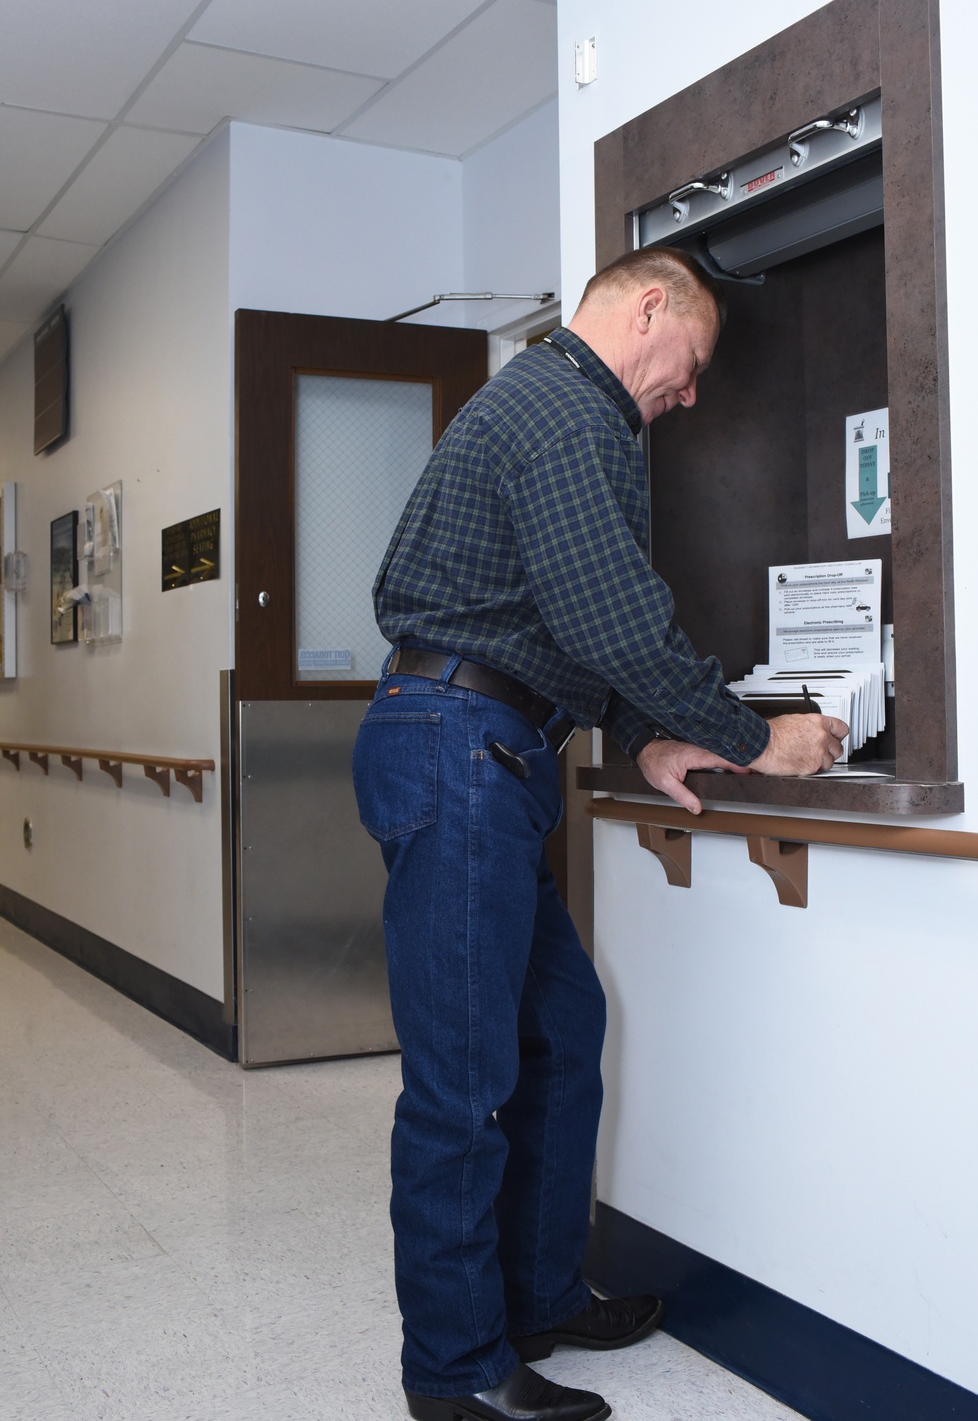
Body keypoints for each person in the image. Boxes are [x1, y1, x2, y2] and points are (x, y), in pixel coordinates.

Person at [352, 247, 848, 1421]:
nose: (691, 393)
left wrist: (648, 735)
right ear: (648, 306)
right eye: (692, 364)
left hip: (493, 744)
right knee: (461, 1080)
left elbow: (562, 619)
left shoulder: (556, 412)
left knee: (560, 1027)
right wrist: (749, 733)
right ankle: (457, 1371)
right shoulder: (567, 410)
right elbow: (607, 612)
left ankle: (534, 1295)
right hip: (460, 742)